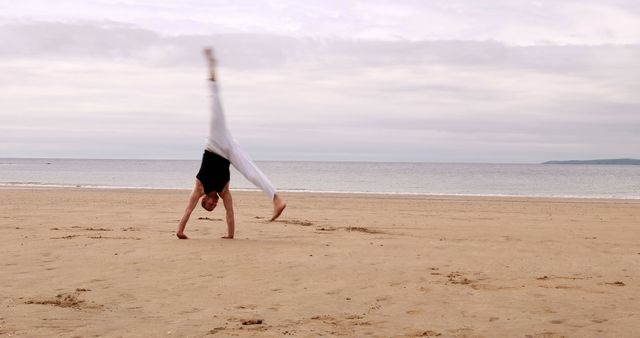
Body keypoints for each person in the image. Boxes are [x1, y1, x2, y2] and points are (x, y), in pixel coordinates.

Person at [176, 47, 286, 239]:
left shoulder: (199, 187)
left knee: (215, 107)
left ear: (204, 200)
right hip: (229, 151)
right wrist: (230, 236)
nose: (213, 204)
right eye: (213, 207)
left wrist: (180, 231)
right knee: (250, 172)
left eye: (209, 205)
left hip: (215, 143)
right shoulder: (224, 192)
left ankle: (211, 65)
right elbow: (230, 213)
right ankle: (277, 199)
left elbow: (188, 210)